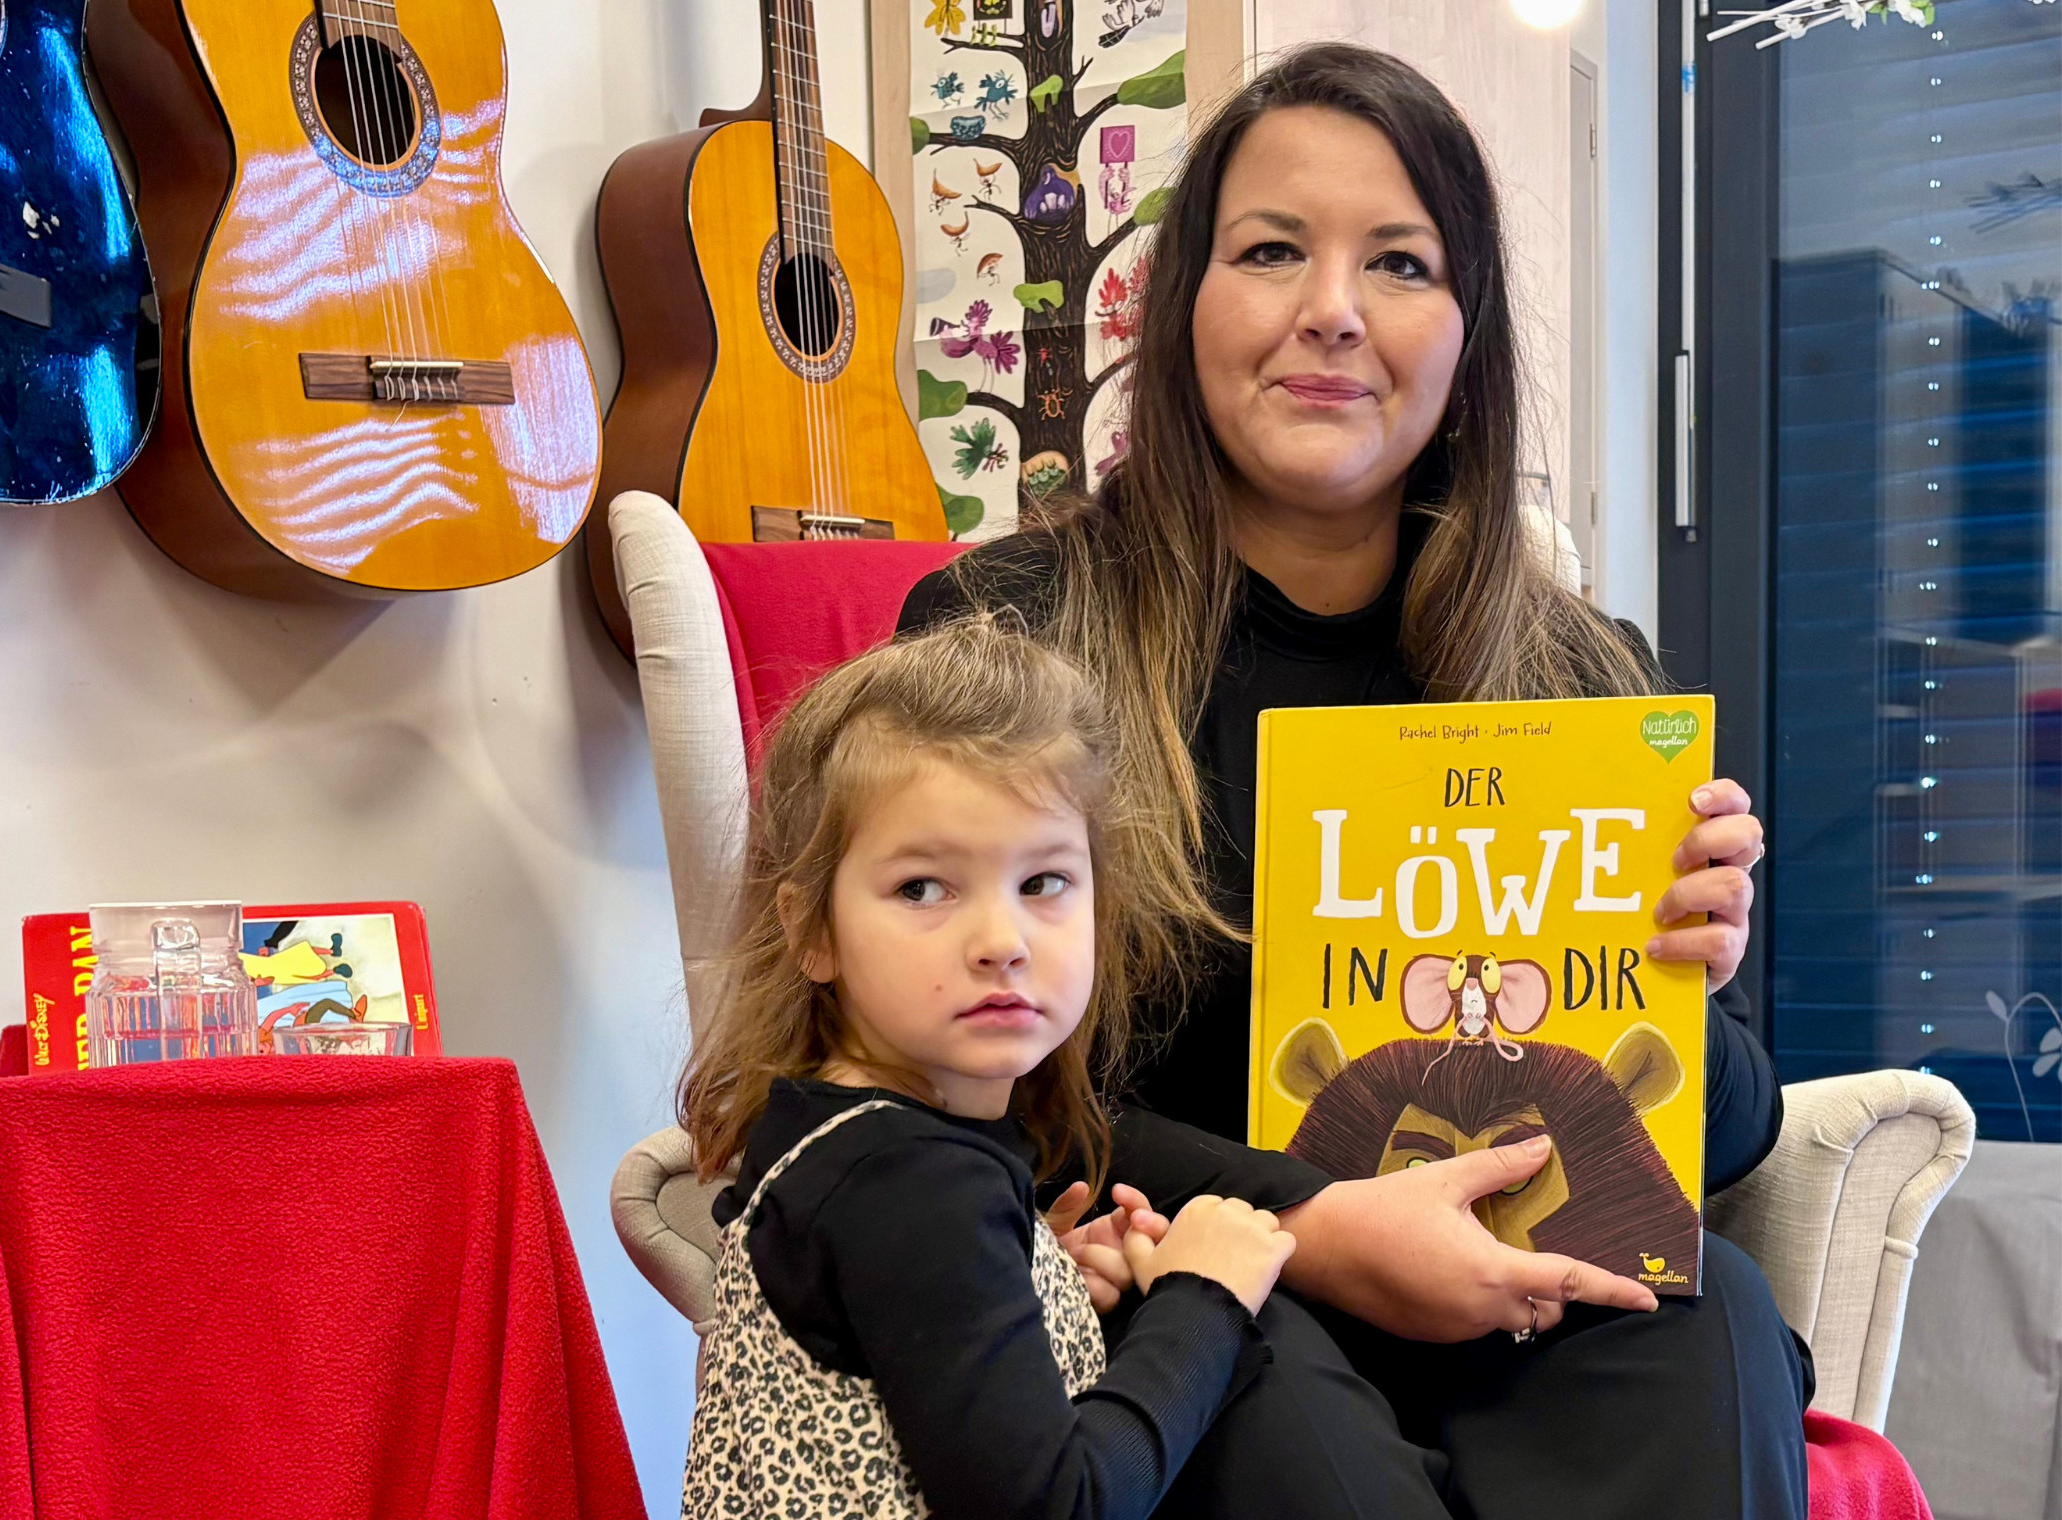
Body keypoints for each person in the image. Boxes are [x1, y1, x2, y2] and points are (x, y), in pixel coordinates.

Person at [902, 41, 1809, 1520]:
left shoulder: (1585, 676)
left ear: (1467, 335)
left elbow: (1734, 1131)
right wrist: (1312, 1226)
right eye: (1272, 252)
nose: (1331, 312)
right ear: (1185, 304)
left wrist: (1685, 981)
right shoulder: (1008, 635)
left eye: (1399, 262)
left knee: (1713, 1344)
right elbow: (939, 1075)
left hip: (1534, 1283)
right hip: (1183, 1273)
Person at [678, 616, 1309, 1518]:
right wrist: (1203, 1300)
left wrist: (1036, 1283)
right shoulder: (916, 1184)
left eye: (1043, 882)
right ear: (810, 928)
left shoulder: (831, 1136)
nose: (1001, 942)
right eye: (923, 888)